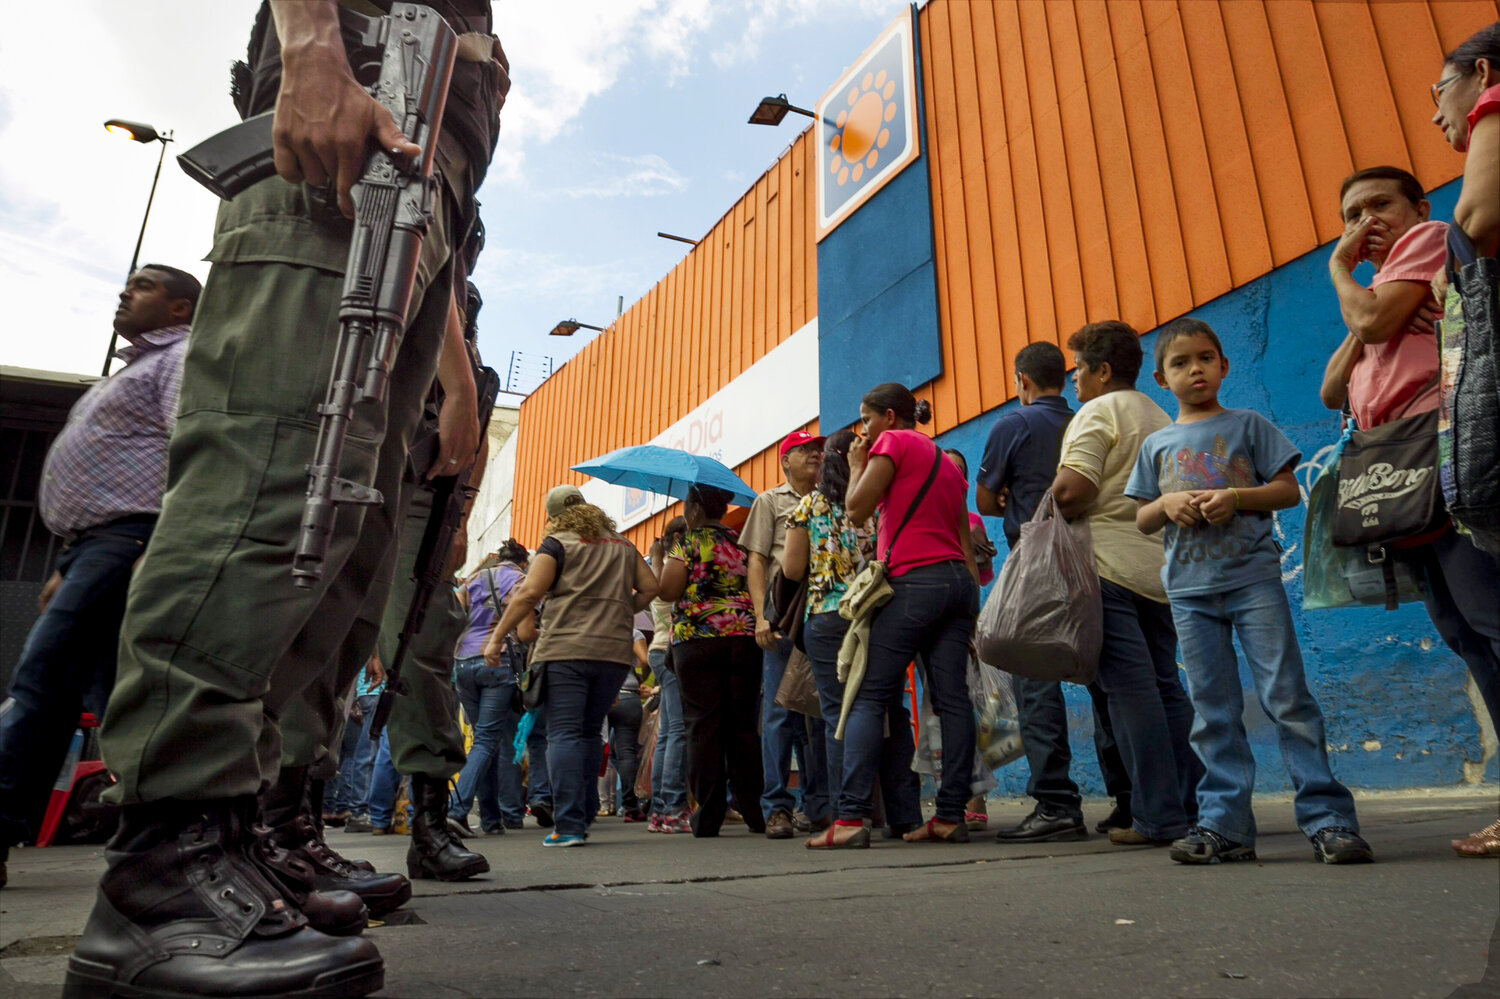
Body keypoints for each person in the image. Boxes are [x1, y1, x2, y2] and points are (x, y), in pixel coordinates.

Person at [71, 1, 510, 993]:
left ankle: (238, 839)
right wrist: (313, 44)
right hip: (356, 114)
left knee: (341, 527)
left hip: (423, 165)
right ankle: (159, 878)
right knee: (276, 481)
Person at [1128, 318, 1373, 865]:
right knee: (1212, 710)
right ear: (1161, 380)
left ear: (1223, 366)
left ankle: (1328, 819)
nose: (1196, 369)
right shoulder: (1157, 445)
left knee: (1288, 699)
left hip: (1253, 584)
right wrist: (1166, 505)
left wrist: (1237, 497)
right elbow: (1141, 517)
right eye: (1181, 363)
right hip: (1189, 594)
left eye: (1206, 358)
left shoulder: (1250, 425)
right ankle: (1226, 825)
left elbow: (1286, 491)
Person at [1322, 159, 1500, 860]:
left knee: (1489, 619)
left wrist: (1343, 275)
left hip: (1440, 457)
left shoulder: (1426, 238)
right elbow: (1333, 389)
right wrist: (1366, 308)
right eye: (1351, 215)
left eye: (1378, 208)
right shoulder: (1382, 286)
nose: (1366, 225)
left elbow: (1368, 318)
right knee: (1464, 632)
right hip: (1399, 479)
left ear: (1416, 205)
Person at [0, 266, 197, 890]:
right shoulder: (134, 367)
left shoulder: (181, 357)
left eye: (142, 286)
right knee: (113, 699)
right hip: (92, 547)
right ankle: (166, 833)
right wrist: (68, 563)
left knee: (42, 682)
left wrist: (158, 542)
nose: (124, 293)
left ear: (178, 309)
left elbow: (189, 446)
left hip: (128, 537)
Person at [1050, 322, 1202, 849]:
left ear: (1103, 371)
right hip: (1159, 571)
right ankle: (1191, 805)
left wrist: (1048, 505)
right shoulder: (1159, 415)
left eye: (1079, 370)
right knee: (1165, 686)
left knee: (1129, 692)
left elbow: (1072, 491)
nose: (1075, 382)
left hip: (1107, 569)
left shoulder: (1098, 412)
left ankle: (1156, 817)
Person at [976, 341, 1133, 843]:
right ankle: (1129, 798)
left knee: (1035, 678)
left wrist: (1010, 494)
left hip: (1039, 562)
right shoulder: (1089, 418)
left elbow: (986, 500)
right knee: (1104, 679)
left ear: (1022, 380)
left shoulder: (1012, 426)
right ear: (1065, 378)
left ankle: (1057, 803)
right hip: (1096, 556)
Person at [810, 384, 979, 848]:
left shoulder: (893, 443)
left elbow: (855, 507)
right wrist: (972, 606)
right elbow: (964, 538)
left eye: (865, 420)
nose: (862, 431)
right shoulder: (947, 461)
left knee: (868, 695)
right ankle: (949, 815)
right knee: (952, 699)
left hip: (914, 582)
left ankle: (849, 820)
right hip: (958, 587)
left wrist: (859, 466)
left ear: (887, 416)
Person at [482, 485, 659, 846]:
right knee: (590, 732)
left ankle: (569, 825)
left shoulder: (557, 544)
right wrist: (623, 607)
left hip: (565, 649)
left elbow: (529, 593)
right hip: (612, 655)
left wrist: (497, 637)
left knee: (563, 733)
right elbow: (651, 586)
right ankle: (585, 811)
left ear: (553, 516)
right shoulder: (623, 546)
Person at [783, 430, 923, 841]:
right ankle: (905, 814)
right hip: (877, 616)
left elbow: (792, 570)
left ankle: (849, 815)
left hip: (827, 618)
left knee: (838, 717)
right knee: (889, 712)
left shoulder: (809, 506)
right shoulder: (877, 504)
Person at [655, 485, 765, 837]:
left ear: (695, 509)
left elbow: (669, 591)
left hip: (697, 640)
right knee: (743, 725)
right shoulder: (741, 540)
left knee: (703, 724)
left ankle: (709, 813)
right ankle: (752, 809)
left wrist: (661, 557)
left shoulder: (686, 542)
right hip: (743, 636)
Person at [742, 431, 831, 838]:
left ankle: (819, 804)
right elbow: (757, 561)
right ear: (785, 461)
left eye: (818, 450)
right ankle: (776, 806)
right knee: (779, 713)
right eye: (805, 450)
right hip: (782, 614)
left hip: (821, 612)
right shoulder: (769, 502)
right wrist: (763, 617)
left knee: (816, 712)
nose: (815, 454)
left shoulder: (829, 499)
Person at [448, 540, 543, 835]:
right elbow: (526, 632)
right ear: (523, 562)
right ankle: (456, 809)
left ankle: (490, 819)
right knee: (488, 740)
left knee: (482, 741)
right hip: (497, 661)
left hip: (463, 662)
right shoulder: (521, 581)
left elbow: (454, 618)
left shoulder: (473, 580)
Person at [646, 518, 691, 833]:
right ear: (678, 537)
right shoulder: (671, 569)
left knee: (667, 733)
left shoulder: (655, 568)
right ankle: (672, 809)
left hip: (658, 651)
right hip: (671, 651)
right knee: (677, 731)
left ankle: (660, 808)